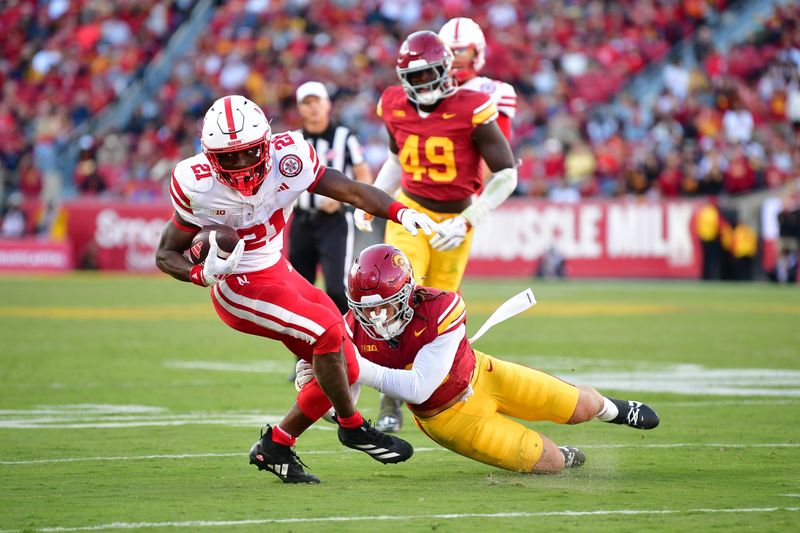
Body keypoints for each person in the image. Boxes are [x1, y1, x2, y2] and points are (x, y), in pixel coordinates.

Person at [155, 95, 442, 484]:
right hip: (238, 285)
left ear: (266, 143)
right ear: (209, 156)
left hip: (277, 268)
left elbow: (352, 190)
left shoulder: (288, 158)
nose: (241, 165)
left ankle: (276, 444)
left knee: (345, 357)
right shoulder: (196, 183)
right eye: (229, 157)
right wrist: (200, 275)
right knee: (326, 328)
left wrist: (401, 212)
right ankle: (351, 424)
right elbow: (166, 254)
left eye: (248, 153)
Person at [296, 245, 661, 474]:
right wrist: (326, 387)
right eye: (365, 310)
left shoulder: (442, 305)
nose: (375, 319)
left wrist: (354, 365)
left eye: (385, 307)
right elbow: (348, 398)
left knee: (582, 406)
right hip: (449, 420)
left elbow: (420, 386)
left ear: (408, 292)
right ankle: (560, 454)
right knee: (550, 463)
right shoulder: (349, 329)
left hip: (484, 375)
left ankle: (612, 409)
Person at [354, 31, 517, 433]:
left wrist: (469, 219)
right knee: (395, 294)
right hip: (410, 212)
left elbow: (507, 173)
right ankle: (389, 399)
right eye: (417, 77)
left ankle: (435, 393)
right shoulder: (393, 102)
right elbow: (396, 159)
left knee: (436, 312)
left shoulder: (473, 105)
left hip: (455, 220)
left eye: (431, 75)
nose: (424, 85)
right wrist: (376, 197)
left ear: (447, 71)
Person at [290, 81, 373, 313]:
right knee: (299, 289)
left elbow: (364, 176)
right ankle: (305, 347)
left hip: (334, 222)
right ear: (300, 108)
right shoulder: (293, 141)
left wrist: (343, 198)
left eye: (317, 101)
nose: (313, 107)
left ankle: (346, 343)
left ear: (327, 104)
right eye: (307, 103)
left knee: (338, 288)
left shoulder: (345, 137)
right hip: (301, 221)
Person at [438, 17, 517, 142]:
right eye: (450, 52)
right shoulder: (430, 91)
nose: (456, 58)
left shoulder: (497, 91)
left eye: (463, 51)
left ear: (477, 52)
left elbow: (499, 152)